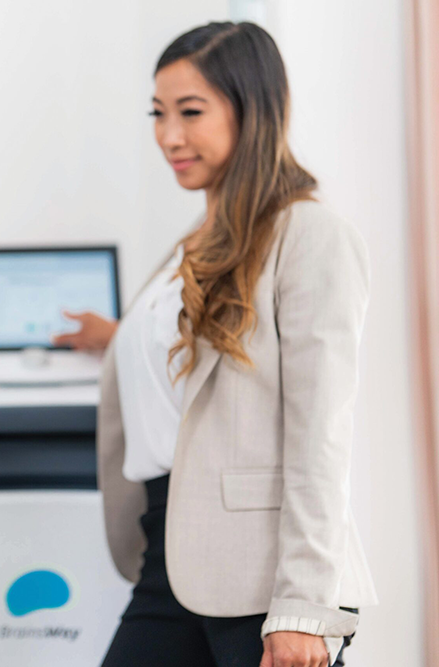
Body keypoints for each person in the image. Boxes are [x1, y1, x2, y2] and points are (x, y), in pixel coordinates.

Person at [57, 22, 377, 667]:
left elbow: (321, 431)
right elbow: (215, 363)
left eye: (191, 112)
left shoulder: (308, 233)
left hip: (261, 577)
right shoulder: (193, 246)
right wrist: (119, 340)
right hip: (168, 551)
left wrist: (302, 607)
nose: (169, 136)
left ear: (252, 109)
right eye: (159, 114)